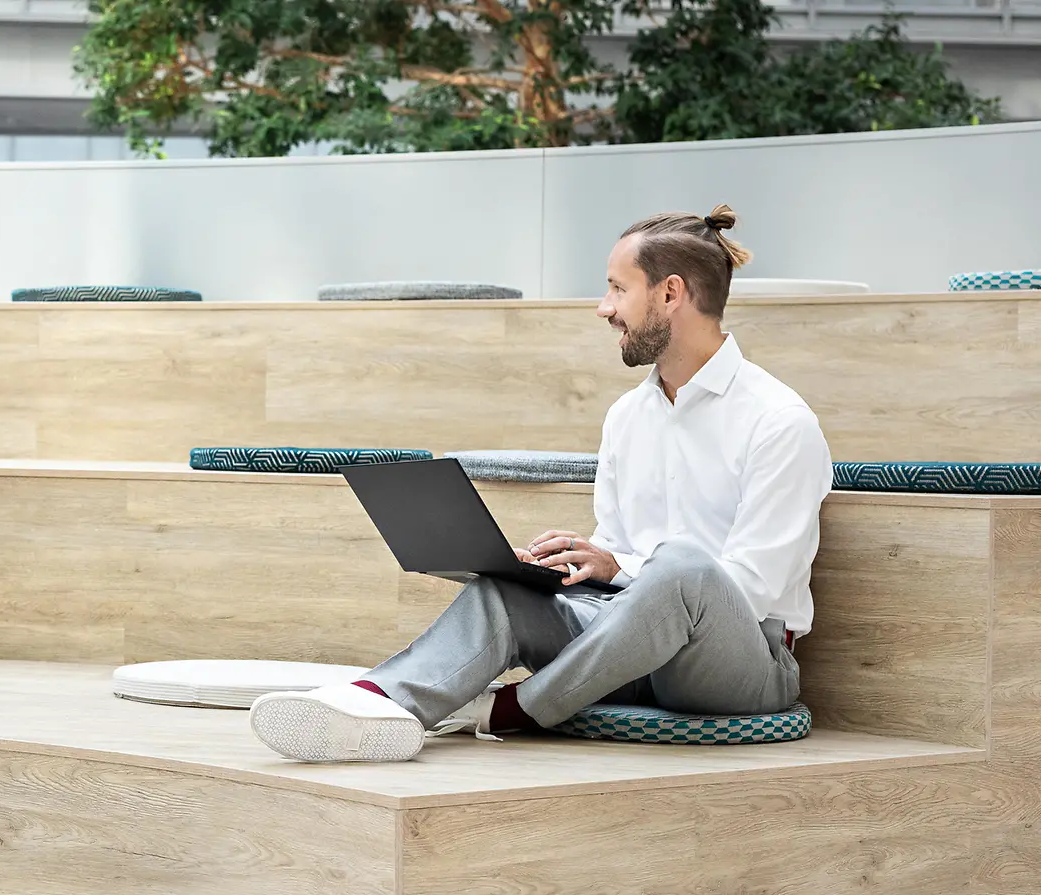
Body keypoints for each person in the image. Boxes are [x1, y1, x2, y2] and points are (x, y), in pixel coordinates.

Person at [250, 205, 831, 762]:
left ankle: (521, 707)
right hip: (627, 650)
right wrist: (569, 571)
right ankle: (377, 706)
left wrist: (618, 566)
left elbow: (751, 587)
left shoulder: (779, 421)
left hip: (739, 666)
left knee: (682, 566)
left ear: (670, 293)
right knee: (505, 593)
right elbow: (618, 558)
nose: (604, 308)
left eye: (617, 289)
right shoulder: (627, 417)